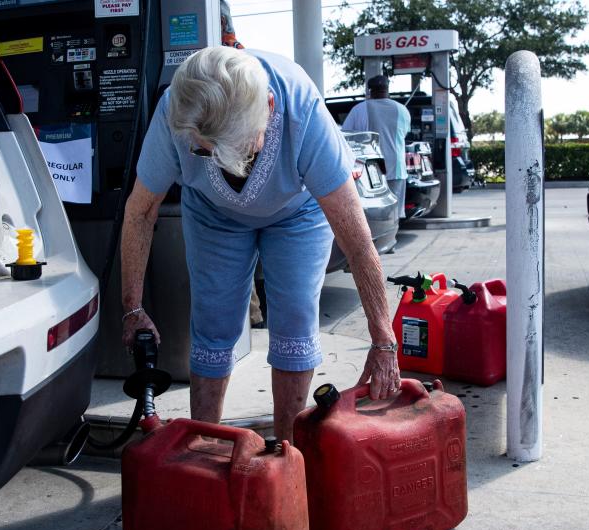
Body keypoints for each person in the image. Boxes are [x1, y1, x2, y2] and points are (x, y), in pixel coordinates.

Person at [120, 47, 400, 441]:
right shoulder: (177, 111)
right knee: (213, 325)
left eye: (234, 149)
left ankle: (286, 453)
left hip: (298, 212)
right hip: (212, 214)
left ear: (268, 108)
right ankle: (203, 447)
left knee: (295, 323)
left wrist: (382, 338)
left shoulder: (302, 111)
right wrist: (132, 307)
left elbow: (357, 243)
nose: (217, 160)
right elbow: (140, 212)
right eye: (204, 150)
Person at [341, 75, 411, 218]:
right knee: (394, 212)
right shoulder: (402, 110)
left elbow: (345, 137)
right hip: (396, 169)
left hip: (369, 170)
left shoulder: (358, 109)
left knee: (371, 213)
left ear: (369, 91)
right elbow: (404, 134)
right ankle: (392, 236)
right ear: (387, 89)